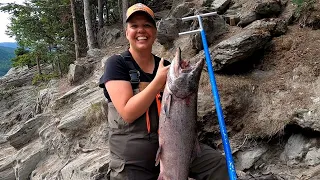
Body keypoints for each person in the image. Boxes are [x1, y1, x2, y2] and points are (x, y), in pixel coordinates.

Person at [99, 3, 229, 180]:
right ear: (126, 32)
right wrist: (157, 82)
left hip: (174, 147)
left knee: (217, 165)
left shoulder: (166, 66)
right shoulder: (117, 64)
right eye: (134, 26)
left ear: (154, 31)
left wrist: (182, 74)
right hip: (132, 160)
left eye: (146, 25)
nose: (141, 30)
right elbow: (127, 113)